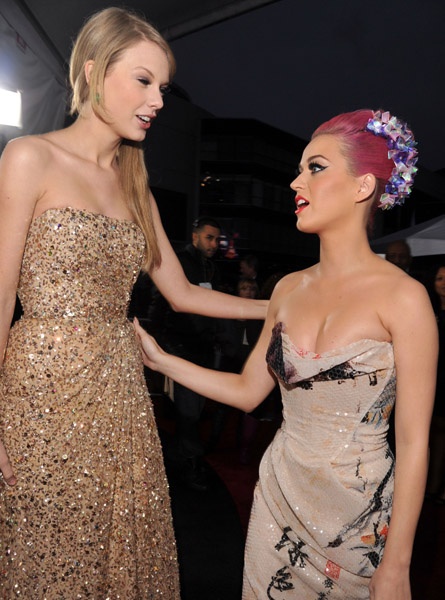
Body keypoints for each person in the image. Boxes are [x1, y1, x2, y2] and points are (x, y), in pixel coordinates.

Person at [0, 7, 267, 598]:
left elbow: (183, 293)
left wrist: (280, 306)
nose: (158, 100)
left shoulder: (134, 184)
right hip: (39, 391)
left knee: (115, 550)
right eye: (144, 80)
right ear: (93, 72)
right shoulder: (29, 157)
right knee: (46, 551)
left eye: (163, 87)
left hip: (120, 391)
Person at [134, 109, 438, 599]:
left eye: (315, 168)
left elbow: (414, 442)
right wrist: (162, 360)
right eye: (299, 169)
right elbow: (248, 391)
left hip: (356, 521)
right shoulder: (288, 289)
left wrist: (398, 564)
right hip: (278, 502)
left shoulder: (405, 298)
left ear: (363, 186)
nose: (296, 182)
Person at [148, 216, 226, 491]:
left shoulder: (211, 268)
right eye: (209, 238)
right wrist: (164, 347)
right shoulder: (179, 262)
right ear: (195, 237)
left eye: (217, 239)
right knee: (189, 410)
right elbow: (160, 304)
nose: (214, 244)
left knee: (194, 409)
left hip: (203, 349)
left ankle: (181, 457)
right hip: (180, 348)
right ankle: (190, 463)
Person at [426, 264, 445, 503]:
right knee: (435, 434)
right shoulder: (428, 311)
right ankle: (432, 487)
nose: (443, 283)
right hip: (434, 379)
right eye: (440, 278)